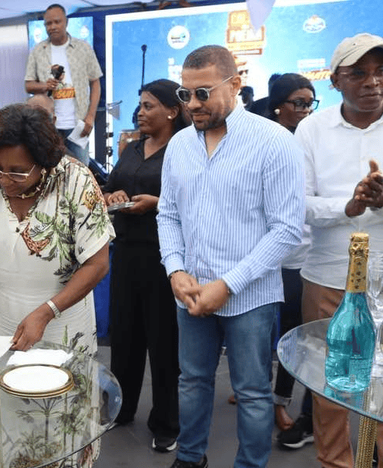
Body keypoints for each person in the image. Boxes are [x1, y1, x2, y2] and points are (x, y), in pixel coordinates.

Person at [157, 45, 305, 468]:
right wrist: (175, 269)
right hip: (190, 291)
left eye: (203, 93)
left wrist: (228, 285)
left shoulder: (274, 142)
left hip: (250, 297)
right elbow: (168, 214)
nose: (192, 104)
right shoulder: (180, 145)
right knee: (192, 382)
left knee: (253, 392)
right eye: (185, 94)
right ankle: (190, 458)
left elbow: (287, 229)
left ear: (235, 84)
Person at [0, 103, 114, 353]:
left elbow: (97, 264)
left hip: (63, 326)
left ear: (44, 162)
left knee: (60, 378)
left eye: (19, 172)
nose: (4, 179)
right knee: (4, 376)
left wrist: (47, 312)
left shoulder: (76, 181)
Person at [294, 33, 383, 468]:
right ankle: (336, 463)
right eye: (359, 73)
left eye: (381, 72)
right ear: (334, 81)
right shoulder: (311, 129)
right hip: (328, 277)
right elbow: (297, 204)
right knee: (331, 386)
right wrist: (348, 206)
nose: (373, 82)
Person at [103, 79, 188, 453]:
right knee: (124, 337)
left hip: (164, 257)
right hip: (125, 254)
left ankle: (167, 422)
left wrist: (157, 203)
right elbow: (108, 187)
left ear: (172, 111)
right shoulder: (132, 148)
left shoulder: (185, 149)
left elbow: (196, 201)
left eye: (149, 105)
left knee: (164, 342)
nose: (140, 112)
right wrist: (113, 195)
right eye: (140, 105)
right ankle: (120, 409)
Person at [262, 74, 317, 446]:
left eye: (310, 102)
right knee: (263, 332)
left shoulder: (312, 139)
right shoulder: (264, 139)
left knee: (297, 334)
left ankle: (282, 402)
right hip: (265, 256)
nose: (305, 109)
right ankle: (258, 391)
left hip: (304, 257)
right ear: (278, 105)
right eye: (298, 102)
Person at [25, 3, 102, 165]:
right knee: (49, 168)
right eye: (48, 23)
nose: (52, 26)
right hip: (48, 124)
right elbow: (28, 85)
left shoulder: (83, 48)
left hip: (78, 122)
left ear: (66, 22)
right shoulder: (38, 51)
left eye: (57, 22)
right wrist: (45, 86)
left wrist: (91, 116)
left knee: (80, 169)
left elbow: (95, 82)